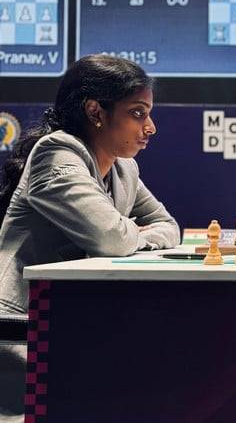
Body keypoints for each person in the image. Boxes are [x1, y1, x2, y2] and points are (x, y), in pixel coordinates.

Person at [0, 54, 181, 315]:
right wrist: (133, 232)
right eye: (137, 113)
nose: (150, 127)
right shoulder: (54, 154)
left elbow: (169, 226)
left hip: (65, 315)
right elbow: (111, 238)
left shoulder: (123, 168)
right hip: (19, 324)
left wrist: (132, 235)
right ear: (95, 111)